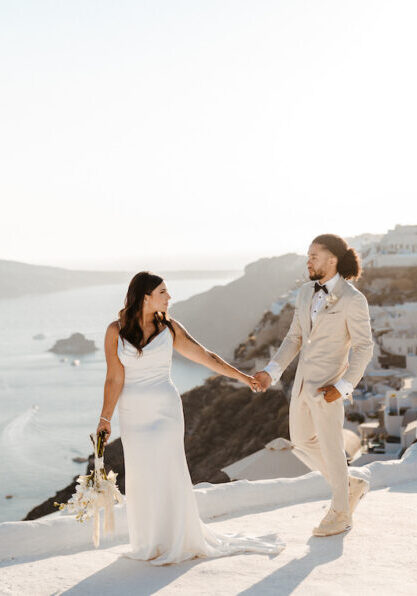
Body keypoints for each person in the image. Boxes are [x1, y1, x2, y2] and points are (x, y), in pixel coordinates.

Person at [97, 271, 284, 565]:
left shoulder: (169, 328)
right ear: (145, 297)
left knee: (167, 469)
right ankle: (151, 541)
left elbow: (206, 356)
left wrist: (244, 377)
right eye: (163, 292)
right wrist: (105, 419)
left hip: (165, 410)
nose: (169, 297)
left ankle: (178, 539)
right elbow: (114, 379)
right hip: (133, 415)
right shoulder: (115, 331)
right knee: (142, 475)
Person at [255, 234, 374, 537]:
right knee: (302, 441)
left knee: (332, 448)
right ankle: (348, 485)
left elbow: (363, 348)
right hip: (301, 386)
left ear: (332, 259)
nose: (308, 261)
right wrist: (272, 370)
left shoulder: (353, 300)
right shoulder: (306, 292)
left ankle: (340, 514)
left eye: (314, 256)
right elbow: (295, 337)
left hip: (329, 389)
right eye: (308, 256)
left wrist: (344, 386)